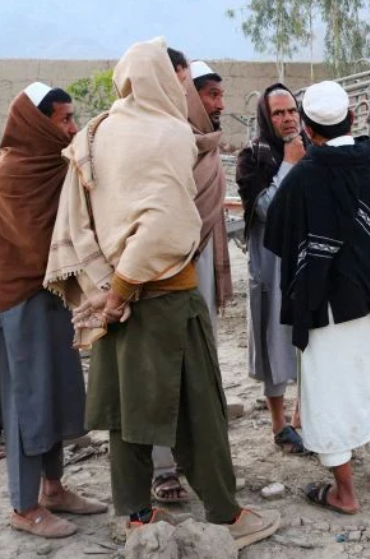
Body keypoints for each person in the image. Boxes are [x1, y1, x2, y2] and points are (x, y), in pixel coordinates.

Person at [43, 38, 277, 548]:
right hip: (164, 296)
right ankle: (227, 514)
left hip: (114, 304)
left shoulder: (95, 132)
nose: (183, 88)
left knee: (125, 413)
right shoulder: (170, 132)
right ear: (161, 78)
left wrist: (111, 293)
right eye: (179, 78)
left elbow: (86, 218)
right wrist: (125, 286)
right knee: (200, 410)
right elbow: (165, 224)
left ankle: (136, 515)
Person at [0, 82, 107, 538]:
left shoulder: (54, 166)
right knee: (26, 406)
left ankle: (53, 489)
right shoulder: (10, 172)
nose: (72, 127)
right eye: (64, 119)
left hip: (50, 299)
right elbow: (37, 243)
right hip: (17, 306)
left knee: (53, 397)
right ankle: (23, 506)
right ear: (37, 122)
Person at [264, 81, 370, 514]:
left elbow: (277, 231)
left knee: (327, 392)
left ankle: (344, 492)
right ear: (352, 117)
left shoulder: (306, 174)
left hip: (323, 304)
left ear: (306, 128)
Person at [148, 58, 236, 504]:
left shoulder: (210, 147)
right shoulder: (166, 143)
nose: (220, 104)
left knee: (200, 367)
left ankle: (196, 457)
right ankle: (162, 466)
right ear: (188, 96)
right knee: (165, 368)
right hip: (164, 272)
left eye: (221, 95)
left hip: (201, 272)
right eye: (211, 95)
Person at [235, 83, 308, 455]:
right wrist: (290, 165)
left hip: (305, 261)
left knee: (308, 341)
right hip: (270, 264)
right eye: (278, 113)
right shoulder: (253, 157)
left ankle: (301, 416)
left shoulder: (311, 149)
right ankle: (279, 425)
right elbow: (265, 209)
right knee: (273, 339)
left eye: (292, 110)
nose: (288, 119)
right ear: (266, 117)